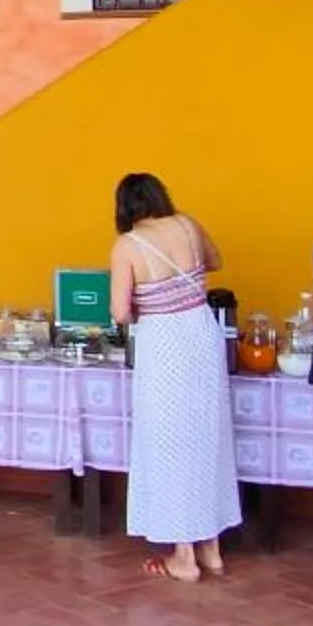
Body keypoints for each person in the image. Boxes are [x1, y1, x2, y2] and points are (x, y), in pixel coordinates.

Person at [110, 172, 241, 582]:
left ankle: (184, 556)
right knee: (207, 433)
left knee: (168, 441)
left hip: (163, 341)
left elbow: (119, 311)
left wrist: (142, 306)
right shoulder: (188, 224)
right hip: (201, 333)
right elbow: (216, 261)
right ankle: (211, 549)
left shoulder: (128, 245)